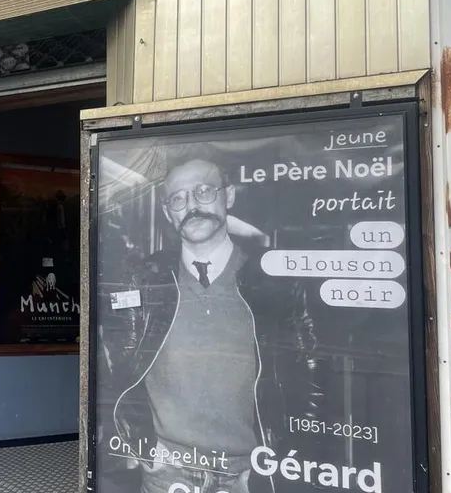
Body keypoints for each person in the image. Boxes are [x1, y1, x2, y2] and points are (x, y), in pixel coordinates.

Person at [100, 158, 323, 493]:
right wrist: (142, 446)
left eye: (203, 191)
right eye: (178, 198)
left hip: (249, 474)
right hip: (166, 471)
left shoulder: (273, 281)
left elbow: (309, 376)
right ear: (167, 212)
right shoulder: (145, 280)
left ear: (228, 196)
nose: (191, 205)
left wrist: (283, 462)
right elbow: (120, 365)